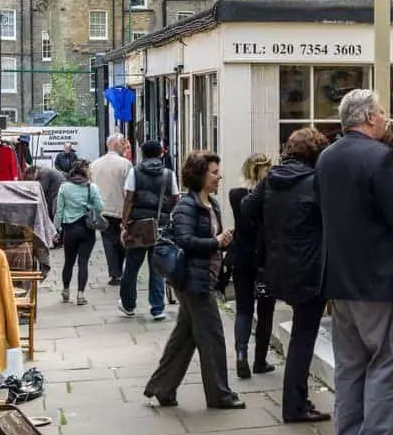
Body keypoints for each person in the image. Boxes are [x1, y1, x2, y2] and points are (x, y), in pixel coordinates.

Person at [315, 89, 393, 435]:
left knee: (351, 371)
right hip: (382, 282)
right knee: (388, 369)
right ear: (369, 117)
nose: (385, 118)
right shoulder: (382, 158)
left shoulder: (327, 157)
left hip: (341, 281)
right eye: (381, 112)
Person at [143, 151, 245, 410]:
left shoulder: (213, 203)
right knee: (212, 337)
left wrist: (222, 241)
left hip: (204, 278)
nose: (219, 176)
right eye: (214, 172)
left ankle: (162, 388)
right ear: (199, 175)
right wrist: (216, 241)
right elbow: (185, 240)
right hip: (192, 281)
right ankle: (219, 395)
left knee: (184, 338)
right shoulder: (186, 206)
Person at [243, 129, 330, 423]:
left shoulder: (271, 179)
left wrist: (273, 226)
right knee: (303, 339)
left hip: (279, 267)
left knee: (299, 338)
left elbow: (246, 208)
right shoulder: (315, 182)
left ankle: (297, 402)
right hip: (309, 270)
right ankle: (294, 406)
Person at [118, 140, 179, 321]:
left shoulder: (134, 172)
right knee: (157, 268)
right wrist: (166, 215)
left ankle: (129, 305)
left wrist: (124, 223)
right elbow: (175, 197)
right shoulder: (169, 174)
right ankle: (157, 308)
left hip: (138, 225)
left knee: (131, 267)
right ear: (161, 153)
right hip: (160, 226)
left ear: (142, 154)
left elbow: (129, 198)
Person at [228, 153, 276, 379]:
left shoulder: (235, 195)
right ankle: (260, 360)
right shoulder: (271, 197)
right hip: (265, 260)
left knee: (243, 309)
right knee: (265, 312)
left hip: (241, 259)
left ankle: (240, 354)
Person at [54, 160, 104, 306]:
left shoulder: (64, 187)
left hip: (70, 229)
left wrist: (57, 229)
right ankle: (80, 295)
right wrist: (89, 205)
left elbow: (59, 210)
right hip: (87, 229)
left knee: (68, 261)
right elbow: (100, 207)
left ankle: (65, 291)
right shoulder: (91, 187)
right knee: (83, 262)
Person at [90, 133, 133, 285]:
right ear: (115, 145)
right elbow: (129, 190)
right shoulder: (125, 164)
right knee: (122, 240)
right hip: (121, 209)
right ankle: (121, 271)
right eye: (122, 143)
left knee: (108, 241)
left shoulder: (95, 164)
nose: (124, 147)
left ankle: (115, 274)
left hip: (102, 209)